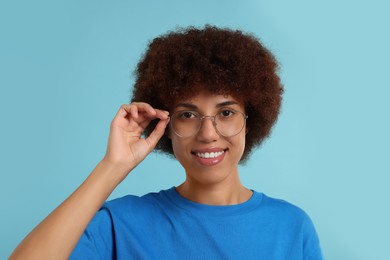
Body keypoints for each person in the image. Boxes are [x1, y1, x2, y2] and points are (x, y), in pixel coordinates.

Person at [10, 25, 323, 259]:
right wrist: (112, 167)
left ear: (250, 120)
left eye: (226, 112)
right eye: (188, 114)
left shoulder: (291, 228)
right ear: (166, 125)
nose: (208, 133)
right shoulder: (121, 225)